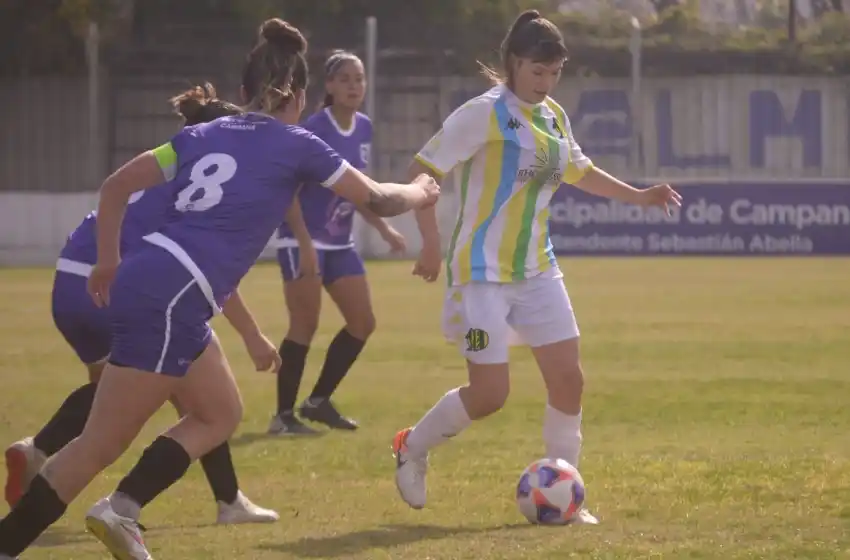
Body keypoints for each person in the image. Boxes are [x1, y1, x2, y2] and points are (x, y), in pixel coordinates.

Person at [0, 17, 439, 560]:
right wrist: (421, 190)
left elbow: (115, 187)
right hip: (173, 295)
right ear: (299, 96)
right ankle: (81, 521)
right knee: (99, 444)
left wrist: (109, 262)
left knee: (219, 413)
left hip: (159, 282)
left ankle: (123, 508)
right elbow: (379, 198)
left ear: (242, 90)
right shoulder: (297, 143)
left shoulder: (200, 134)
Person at [391, 10, 682, 523]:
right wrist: (430, 242)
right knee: (490, 394)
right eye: (536, 71)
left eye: (555, 72)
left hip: (538, 271)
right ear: (512, 63)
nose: (545, 82)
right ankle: (412, 447)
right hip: (481, 276)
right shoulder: (482, 113)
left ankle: (566, 492)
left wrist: (640, 196)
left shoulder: (553, 117)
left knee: (569, 380)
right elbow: (422, 171)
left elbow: (581, 171)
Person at [4, 84, 279, 526]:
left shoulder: (156, 166)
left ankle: (37, 450)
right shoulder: (200, 192)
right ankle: (145, 506)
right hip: (116, 289)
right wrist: (252, 335)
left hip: (70, 286)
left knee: (126, 392)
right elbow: (204, 273)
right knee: (195, 392)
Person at [270, 50, 406, 435]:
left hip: (339, 243)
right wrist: (304, 244)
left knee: (362, 323)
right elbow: (288, 190)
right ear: (329, 85)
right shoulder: (314, 129)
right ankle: (282, 417)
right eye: (344, 79)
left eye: (359, 79)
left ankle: (317, 402)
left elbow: (357, 189)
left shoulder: (363, 128)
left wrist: (383, 229)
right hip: (301, 240)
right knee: (304, 324)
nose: (353, 86)